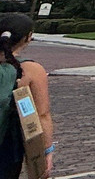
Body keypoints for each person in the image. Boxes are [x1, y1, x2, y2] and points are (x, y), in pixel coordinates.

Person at [0, 12, 54, 179]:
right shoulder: (31, 69)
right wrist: (46, 151)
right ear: (28, 37)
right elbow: (42, 114)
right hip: (7, 144)